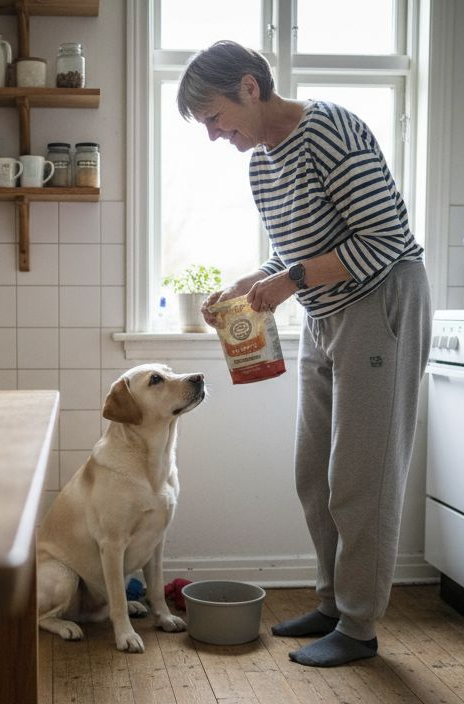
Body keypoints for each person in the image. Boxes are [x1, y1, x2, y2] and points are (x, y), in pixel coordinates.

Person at [182, 41, 431, 667]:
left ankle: (359, 626)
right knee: (312, 469)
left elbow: (385, 237)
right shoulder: (262, 163)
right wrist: (250, 284)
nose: (214, 136)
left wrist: (288, 281)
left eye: (214, 117)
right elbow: (297, 250)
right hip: (326, 313)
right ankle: (332, 602)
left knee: (361, 477)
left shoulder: (330, 129)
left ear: (249, 87)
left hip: (380, 301)